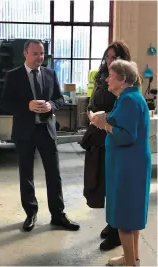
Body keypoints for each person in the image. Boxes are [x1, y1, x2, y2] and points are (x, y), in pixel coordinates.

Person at [0, 39, 80, 232]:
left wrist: (51, 105)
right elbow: (4, 103)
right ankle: (31, 213)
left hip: (46, 130)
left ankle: (58, 215)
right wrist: (26, 106)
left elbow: (60, 98)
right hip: (24, 132)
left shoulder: (50, 73)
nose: (39, 57)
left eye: (42, 53)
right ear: (25, 54)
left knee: (54, 174)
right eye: (35, 54)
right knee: (26, 173)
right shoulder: (13, 76)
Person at [93, 59, 151, 266]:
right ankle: (131, 257)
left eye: (110, 75)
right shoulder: (129, 97)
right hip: (131, 163)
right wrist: (106, 119)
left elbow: (127, 136)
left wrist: (105, 125)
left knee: (125, 215)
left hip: (128, 165)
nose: (106, 79)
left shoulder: (129, 100)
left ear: (123, 79)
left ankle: (129, 264)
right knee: (132, 213)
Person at [81, 41, 132, 251]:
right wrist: (92, 113)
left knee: (113, 185)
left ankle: (116, 231)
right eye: (108, 57)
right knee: (100, 182)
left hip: (111, 138)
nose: (110, 61)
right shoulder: (103, 77)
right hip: (97, 136)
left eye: (115, 58)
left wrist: (106, 119)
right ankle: (111, 224)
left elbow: (123, 111)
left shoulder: (125, 81)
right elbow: (93, 101)